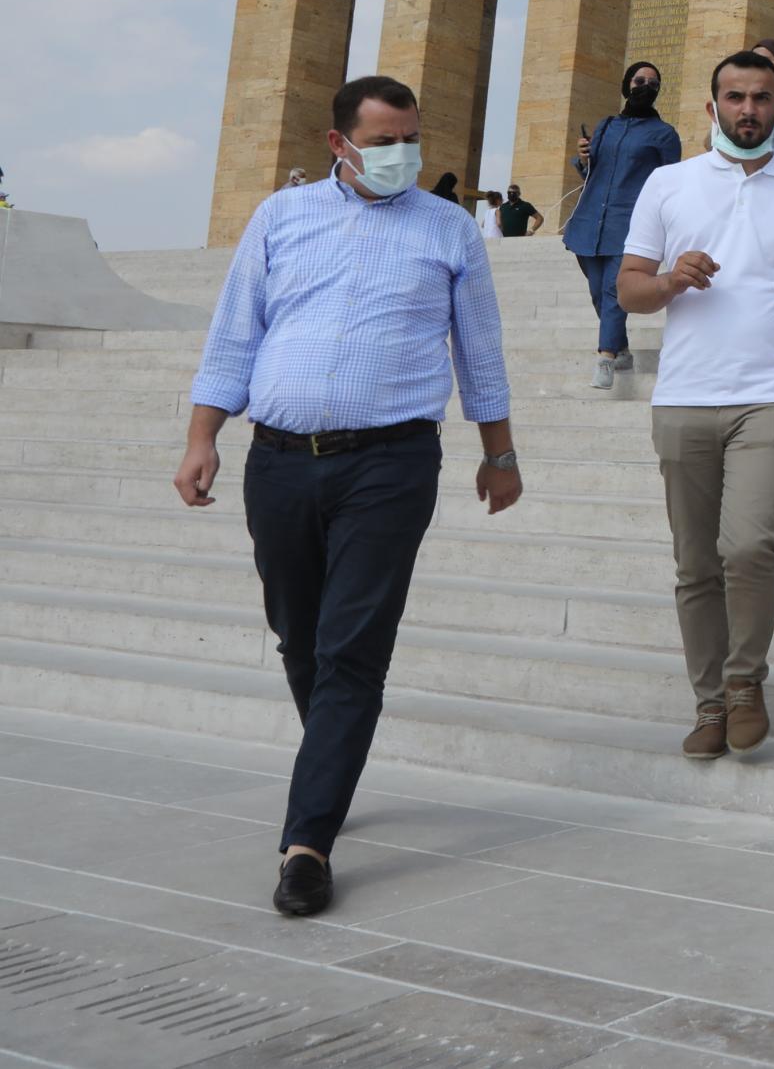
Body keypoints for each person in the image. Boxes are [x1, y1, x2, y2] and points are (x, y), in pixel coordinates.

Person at [175, 75, 520, 918]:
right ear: (340, 144)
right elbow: (235, 331)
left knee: (352, 648)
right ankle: (331, 755)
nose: (403, 152)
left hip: (391, 464)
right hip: (282, 461)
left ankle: (307, 843)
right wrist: (200, 436)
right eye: (385, 139)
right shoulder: (280, 217)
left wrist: (499, 452)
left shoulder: (446, 230)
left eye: (412, 135)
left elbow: (479, 347)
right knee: (300, 635)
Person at [618, 51, 774, 759]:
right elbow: (628, 289)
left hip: (770, 398)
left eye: (762, 97)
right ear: (712, 106)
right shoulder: (668, 184)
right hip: (684, 399)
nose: (748, 109)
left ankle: (745, 682)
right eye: (735, 96)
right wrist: (672, 280)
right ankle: (709, 701)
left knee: (748, 545)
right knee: (695, 564)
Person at [562, 62, 682, 392]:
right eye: (639, 80)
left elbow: (672, 183)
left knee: (614, 291)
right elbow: (591, 176)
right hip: (589, 223)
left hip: (631, 224)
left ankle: (605, 356)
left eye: (653, 82)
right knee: (598, 292)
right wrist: (583, 158)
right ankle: (623, 348)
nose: (645, 86)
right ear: (627, 84)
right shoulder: (606, 127)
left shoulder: (664, 134)